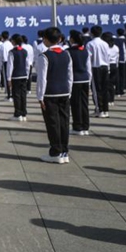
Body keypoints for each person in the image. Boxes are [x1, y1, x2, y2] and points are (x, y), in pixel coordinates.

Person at [36, 27, 73, 164]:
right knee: (64, 122)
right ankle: (64, 151)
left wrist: (40, 97)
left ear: (45, 39)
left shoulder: (44, 56)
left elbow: (42, 78)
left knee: (52, 123)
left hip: (50, 93)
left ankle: (55, 152)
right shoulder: (66, 54)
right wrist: (68, 91)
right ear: (59, 39)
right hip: (64, 91)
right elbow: (70, 75)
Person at [67, 30, 92, 136]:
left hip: (75, 80)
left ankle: (77, 126)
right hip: (85, 79)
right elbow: (88, 68)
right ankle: (85, 126)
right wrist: (89, 81)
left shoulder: (69, 51)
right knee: (84, 104)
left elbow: (68, 69)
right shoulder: (85, 51)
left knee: (76, 104)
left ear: (72, 39)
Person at [87, 25, 110, 118]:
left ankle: (99, 109)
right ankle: (105, 110)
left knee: (96, 90)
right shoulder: (105, 43)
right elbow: (108, 56)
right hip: (104, 67)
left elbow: (88, 58)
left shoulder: (90, 44)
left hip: (95, 67)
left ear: (92, 33)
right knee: (104, 89)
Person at [6, 35, 29, 121]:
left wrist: (9, 78)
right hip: (23, 75)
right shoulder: (24, 51)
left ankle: (17, 114)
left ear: (14, 41)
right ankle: (24, 113)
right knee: (23, 95)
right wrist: (26, 75)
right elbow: (27, 65)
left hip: (15, 76)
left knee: (16, 95)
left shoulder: (12, 52)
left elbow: (10, 66)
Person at [102, 32, 119, 107]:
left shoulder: (106, 47)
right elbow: (117, 57)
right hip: (114, 65)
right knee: (111, 84)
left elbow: (107, 57)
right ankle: (112, 99)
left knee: (107, 84)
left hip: (108, 65)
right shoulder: (115, 47)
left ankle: (108, 99)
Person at [0, 31, 13, 100]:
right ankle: (12, 94)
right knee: (11, 78)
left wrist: (0, 65)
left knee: (6, 78)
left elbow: (0, 56)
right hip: (12, 61)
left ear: (2, 37)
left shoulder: (2, 45)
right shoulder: (11, 44)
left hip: (5, 62)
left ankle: (9, 95)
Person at [113, 29, 126, 96]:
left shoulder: (115, 40)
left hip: (116, 60)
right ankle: (121, 90)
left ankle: (117, 90)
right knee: (122, 76)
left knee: (117, 76)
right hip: (122, 60)